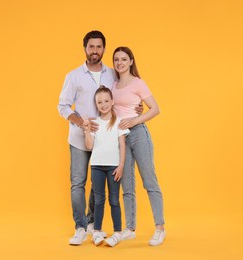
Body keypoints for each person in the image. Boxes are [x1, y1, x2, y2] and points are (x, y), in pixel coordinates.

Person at [58, 30, 115, 245]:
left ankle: (92, 222)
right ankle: (80, 227)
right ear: (85, 49)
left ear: (103, 49)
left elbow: (117, 99)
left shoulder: (111, 74)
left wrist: (136, 106)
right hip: (79, 138)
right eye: (91, 47)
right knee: (78, 182)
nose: (95, 51)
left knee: (98, 182)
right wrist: (80, 121)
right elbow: (63, 106)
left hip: (104, 138)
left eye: (99, 47)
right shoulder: (73, 76)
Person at [111, 46, 166, 246]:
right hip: (120, 138)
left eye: (124, 59)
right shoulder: (113, 85)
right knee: (126, 185)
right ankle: (130, 228)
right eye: (116, 59)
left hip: (138, 134)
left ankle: (160, 228)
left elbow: (156, 109)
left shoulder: (138, 83)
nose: (120, 63)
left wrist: (134, 120)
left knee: (149, 181)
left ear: (131, 61)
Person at [83, 86, 129, 247]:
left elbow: (122, 145)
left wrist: (121, 165)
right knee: (99, 200)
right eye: (99, 102)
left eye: (106, 101)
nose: (103, 104)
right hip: (96, 166)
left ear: (112, 101)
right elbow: (89, 146)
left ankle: (117, 233)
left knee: (114, 200)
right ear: (96, 104)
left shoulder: (118, 121)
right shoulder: (94, 123)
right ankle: (97, 231)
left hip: (113, 167)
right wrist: (87, 130)